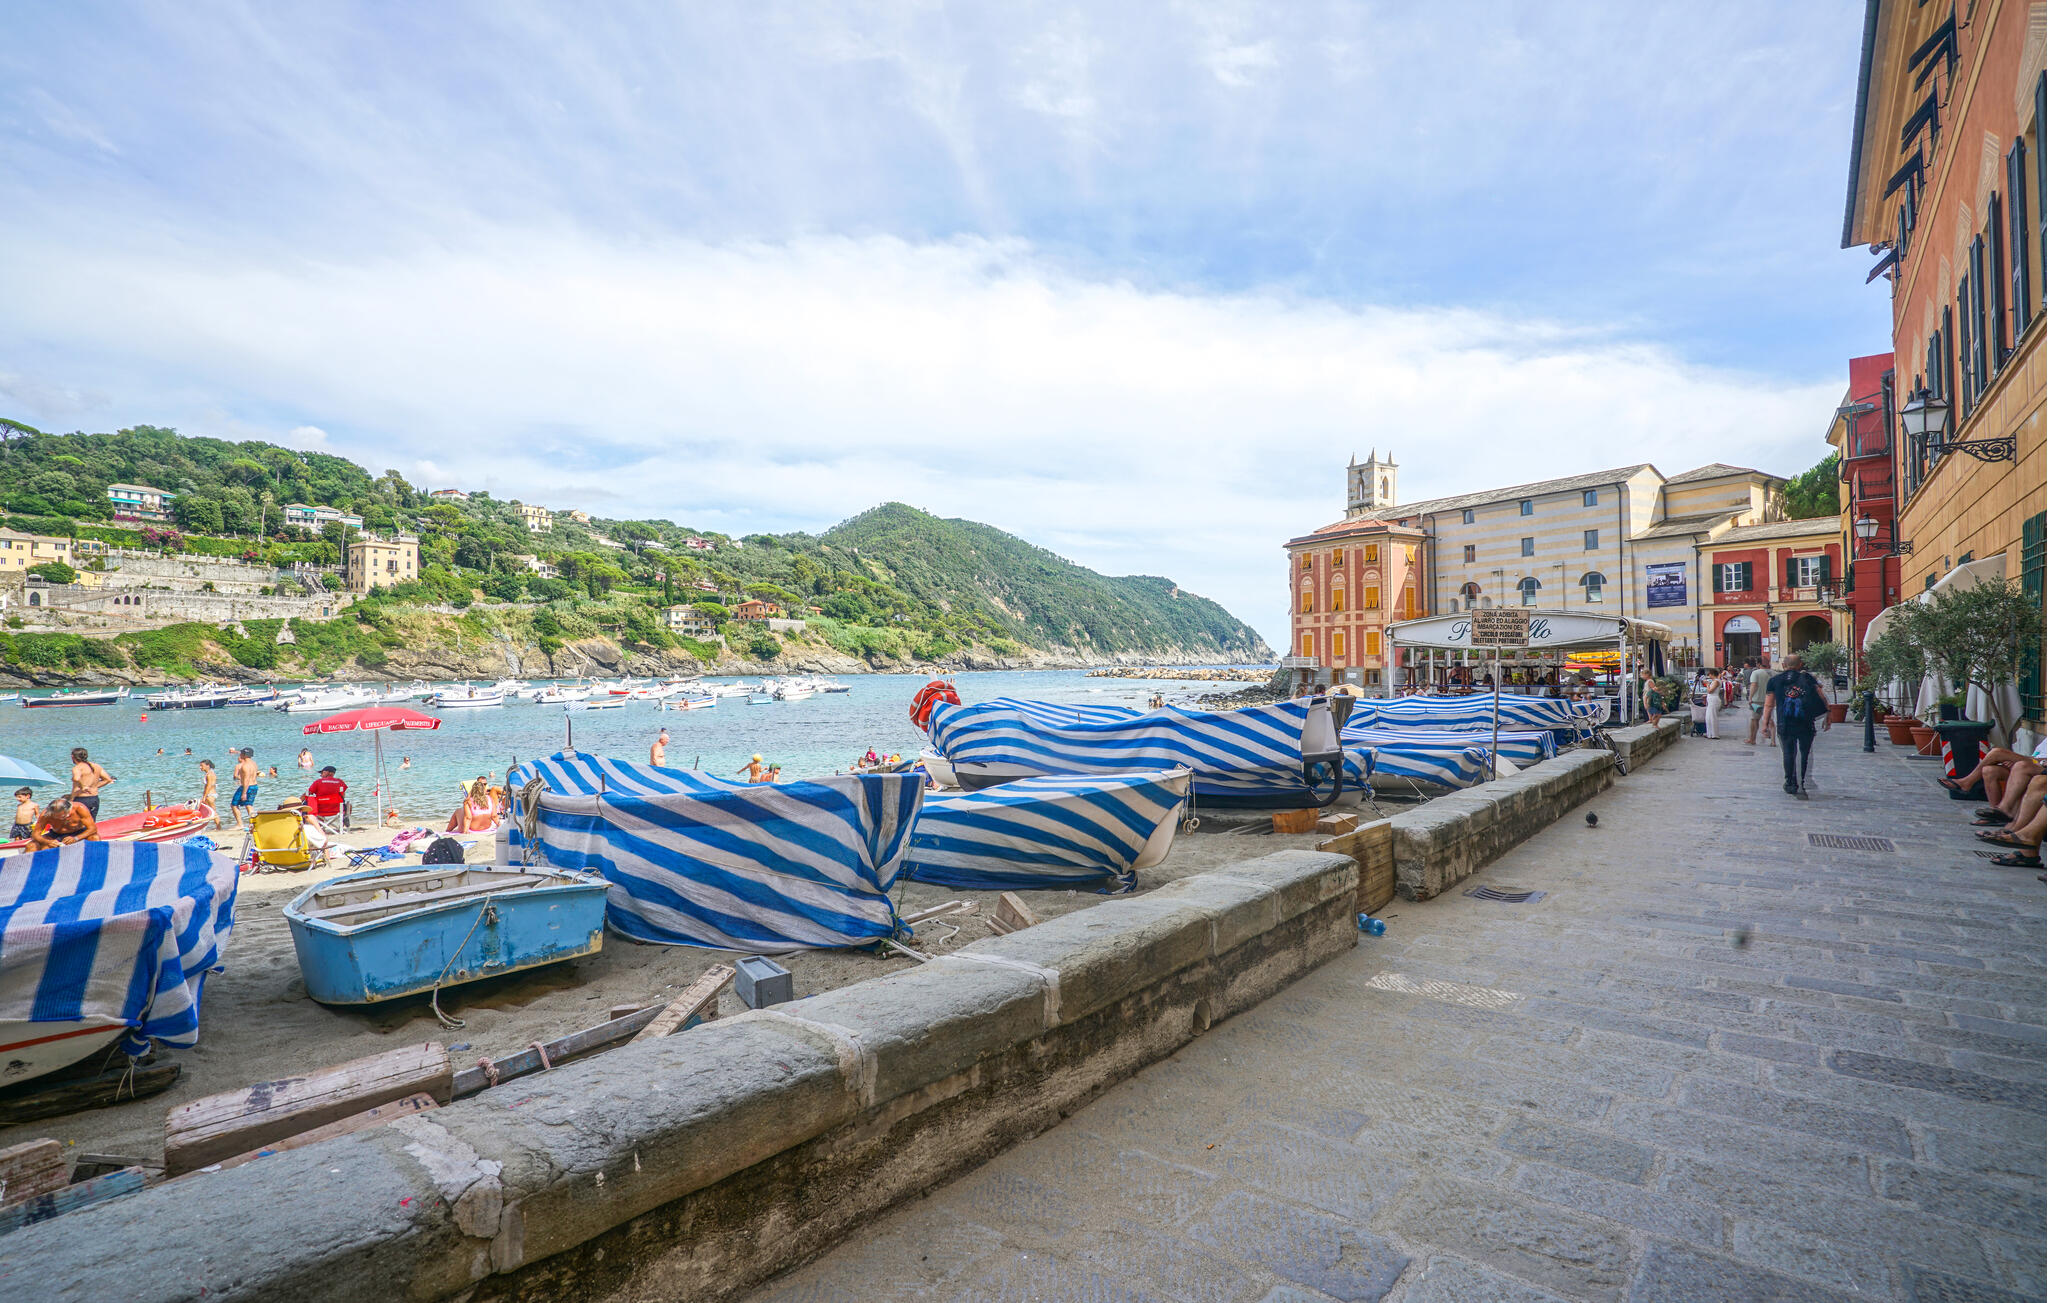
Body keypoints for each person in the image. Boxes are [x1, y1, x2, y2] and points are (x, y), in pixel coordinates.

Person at [1763, 654, 1831, 795]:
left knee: (1788, 752)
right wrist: (1828, 715)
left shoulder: (1774, 681)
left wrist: (1765, 724)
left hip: (1785, 722)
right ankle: (1801, 780)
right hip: (1805, 721)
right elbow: (1821, 696)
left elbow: (1769, 705)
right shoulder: (1808, 679)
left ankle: (1790, 782)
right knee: (1804, 753)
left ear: (1783, 665)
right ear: (1800, 665)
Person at [27, 795, 97, 849]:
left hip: (79, 832)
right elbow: (35, 834)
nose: (61, 819)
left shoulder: (79, 808)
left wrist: (76, 838)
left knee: (94, 838)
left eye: (63, 816)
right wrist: (48, 842)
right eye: (56, 817)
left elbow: (93, 828)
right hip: (56, 834)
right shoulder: (46, 814)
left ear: (69, 809)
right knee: (32, 846)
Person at [69, 748, 114, 820]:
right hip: (94, 798)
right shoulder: (96, 766)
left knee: (79, 822)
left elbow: (76, 778)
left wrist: (83, 786)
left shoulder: (77, 768)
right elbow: (108, 779)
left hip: (81, 799)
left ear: (72, 757)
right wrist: (94, 786)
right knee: (91, 822)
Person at [303, 765, 349, 832]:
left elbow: (308, 793)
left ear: (329, 773)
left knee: (308, 802)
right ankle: (341, 825)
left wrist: (299, 802)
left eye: (322, 773)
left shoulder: (318, 782)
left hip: (320, 809)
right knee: (348, 805)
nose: (321, 775)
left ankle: (318, 827)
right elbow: (343, 796)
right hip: (337, 809)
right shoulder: (340, 782)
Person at [1744, 658, 1773, 745]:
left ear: (1759, 664)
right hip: (1770, 700)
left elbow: (1754, 685)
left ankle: (1752, 739)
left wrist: (1750, 697)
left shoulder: (1756, 673)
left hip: (1757, 700)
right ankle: (1773, 741)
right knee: (1770, 720)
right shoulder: (1774, 673)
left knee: (1754, 719)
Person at [230, 748, 261, 830]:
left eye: (241, 753)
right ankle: (253, 823)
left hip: (247, 787)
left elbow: (246, 780)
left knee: (234, 804)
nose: (240, 755)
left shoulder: (245, 766)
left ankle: (240, 824)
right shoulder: (254, 764)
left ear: (244, 755)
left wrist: (244, 793)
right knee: (249, 805)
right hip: (254, 786)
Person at [1700, 667, 1723, 739]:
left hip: (1714, 700)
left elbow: (1710, 691)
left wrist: (1707, 684)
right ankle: (1709, 733)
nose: (1709, 676)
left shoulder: (1716, 681)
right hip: (1711, 700)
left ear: (1712, 674)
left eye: (1709, 674)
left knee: (1712, 717)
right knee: (1708, 717)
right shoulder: (1714, 681)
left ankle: (1714, 734)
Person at [196, 759, 220, 828]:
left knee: (213, 811)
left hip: (210, 795)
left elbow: (209, 786)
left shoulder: (209, 774)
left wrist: (204, 796)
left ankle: (219, 827)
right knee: (207, 811)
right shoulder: (209, 773)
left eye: (202, 766)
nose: (200, 767)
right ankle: (212, 826)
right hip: (209, 794)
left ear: (208, 765)